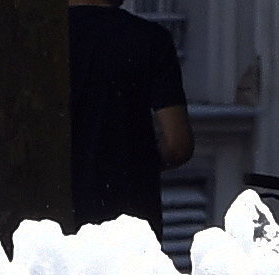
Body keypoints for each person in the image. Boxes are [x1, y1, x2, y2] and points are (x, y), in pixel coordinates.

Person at [69, 0, 196, 237]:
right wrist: (136, 164)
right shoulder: (150, 40)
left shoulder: (40, 43)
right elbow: (178, 144)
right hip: (130, 219)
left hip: (56, 219)